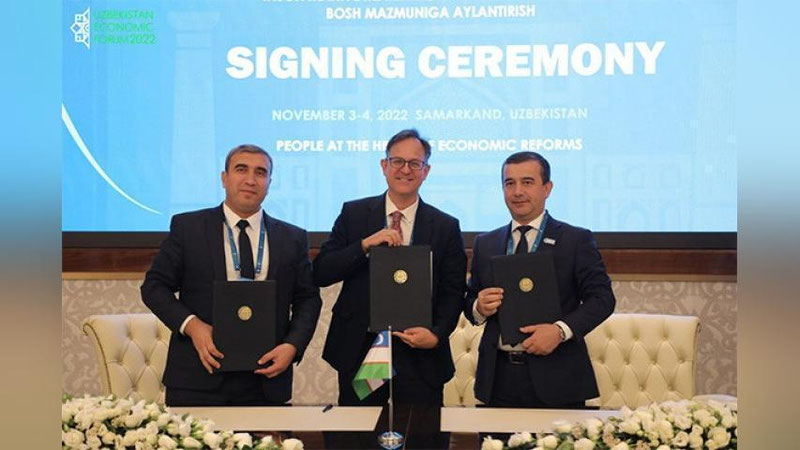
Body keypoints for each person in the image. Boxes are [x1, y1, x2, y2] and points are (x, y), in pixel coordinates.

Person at [313, 129, 466, 448]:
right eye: (397, 161)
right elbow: (322, 271)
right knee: (358, 441)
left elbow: (453, 292)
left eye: (414, 163)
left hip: (420, 355)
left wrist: (436, 334)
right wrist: (364, 245)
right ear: (384, 166)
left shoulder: (445, 226)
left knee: (420, 438)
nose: (405, 170)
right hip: (361, 351)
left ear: (426, 170)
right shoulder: (354, 214)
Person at [141, 144, 321, 406]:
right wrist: (193, 326)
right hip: (198, 377)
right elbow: (154, 287)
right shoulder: (189, 227)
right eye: (241, 170)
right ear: (224, 178)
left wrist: (292, 346)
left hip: (266, 379)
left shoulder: (292, 238)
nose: (250, 180)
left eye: (260, 172)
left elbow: (308, 299)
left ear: (269, 183)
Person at [466, 151, 615, 409]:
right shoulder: (485, 243)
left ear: (547, 188)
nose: (517, 192)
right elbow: (471, 301)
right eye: (509, 183)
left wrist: (559, 331)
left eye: (527, 182)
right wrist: (478, 306)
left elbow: (602, 299)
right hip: (498, 379)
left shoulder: (575, 239)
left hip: (558, 378)